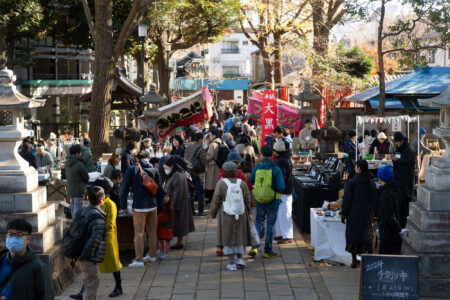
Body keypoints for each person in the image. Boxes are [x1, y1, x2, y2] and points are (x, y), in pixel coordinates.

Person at [120, 150, 164, 267]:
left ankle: (139, 259)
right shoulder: (154, 170)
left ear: (137, 159)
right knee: (152, 231)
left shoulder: (132, 170)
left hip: (139, 206)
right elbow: (160, 190)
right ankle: (152, 254)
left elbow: (124, 188)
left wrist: (123, 205)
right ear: (148, 158)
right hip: (153, 205)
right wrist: (160, 207)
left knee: (139, 233)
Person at [210, 161, 252, 271]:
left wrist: (212, 214)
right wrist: (250, 212)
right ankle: (240, 259)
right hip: (241, 214)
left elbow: (216, 201)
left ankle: (232, 263)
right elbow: (247, 199)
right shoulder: (241, 183)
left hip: (226, 215)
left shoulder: (221, 183)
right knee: (240, 236)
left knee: (228, 238)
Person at [0, 219, 54, 300]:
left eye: (19, 235)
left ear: (28, 239)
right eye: (10, 234)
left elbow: (46, 296)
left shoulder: (38, 268)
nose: (13, 238)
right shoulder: (1, 261)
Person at [249, 145, 285, 258]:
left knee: (259, 223)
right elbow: (280, 187)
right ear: (272, 155)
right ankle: (267, 250)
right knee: (270, 225)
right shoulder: (276, 168)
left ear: (261, 155)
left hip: (260, 201)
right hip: (273, 201)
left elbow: (251, 180)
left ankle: (255, 247)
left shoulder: (257, 167)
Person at [90, 179, 123, 297]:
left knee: (114, 264)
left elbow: (110, 225)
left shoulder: (111, 205)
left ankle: (119, 287)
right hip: (97, 238)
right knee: (90, 266)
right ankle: (85, 289)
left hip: (108, 240)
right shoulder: (98, 204)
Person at [341, 160, 376, 268]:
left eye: (356, 166)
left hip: (354, 212)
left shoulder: (352, 182)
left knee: (353, 236)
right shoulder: (371, 182)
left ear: (359, 169)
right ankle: (369, 258)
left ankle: (354, 261)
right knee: (367, 234)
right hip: (367, 213)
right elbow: (374, 198)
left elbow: (347, 200)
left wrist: (344, 213)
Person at [75, 186, 107, 300]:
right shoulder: (98, 217)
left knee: (90, 284)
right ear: (101, 200)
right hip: (88, 256)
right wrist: (83, 255)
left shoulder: (84, 211)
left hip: (83, 253)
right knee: (91, 286)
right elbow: (94, 239)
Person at [163, 157, 195, 249]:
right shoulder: (174, 174)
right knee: (178, 223)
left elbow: (178, 191)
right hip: (177, 202)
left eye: (166, 168)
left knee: (180, 223)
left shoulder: (177, 175)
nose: (165, 170)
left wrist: (174, 205)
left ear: (172, 166)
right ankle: (178, 242)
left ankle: (179, 242)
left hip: (179, 203)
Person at [377, 165, 405, 255]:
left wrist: (398, 229)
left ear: (382, 179)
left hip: (388, 232)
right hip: (395, 232)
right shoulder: (397, 190)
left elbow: (389, 215)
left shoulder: (385, 194)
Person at [272, 140, 294, 244]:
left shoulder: (281, 161)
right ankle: (281, 234)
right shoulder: (286, 159)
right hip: (286, 189)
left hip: (284, 190)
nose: (273, 153)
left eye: (274, 151)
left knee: (284, 213)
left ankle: (287, 236)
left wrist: (278, 187)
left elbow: (282, 177)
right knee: (282, 212)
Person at [392, 132, 415, 228]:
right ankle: (400, 221)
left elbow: (410, 161)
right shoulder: (399, 147)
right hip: (398, 176)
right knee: (399, 200)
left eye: (397, 142)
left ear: (401, 141)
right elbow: (397, 156)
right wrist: (394, 159)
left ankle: (404, 222)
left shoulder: (409, 148)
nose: (396, 144)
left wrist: (398, 160)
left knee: (405, 200)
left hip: (406, 177)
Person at [184, 132, 207, 216]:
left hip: (190, 172)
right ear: (200, 139)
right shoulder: (201, 148)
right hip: (199, 172)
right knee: (200, 192)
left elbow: (185, 159)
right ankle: (200, 211)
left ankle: (192, 211)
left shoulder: (188, 147)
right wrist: (204, 170)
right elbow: (204, 161)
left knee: (191, 192)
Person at [65, 144, 90, 218]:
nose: (81, 154)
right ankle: (76, 222)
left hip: (70, 188)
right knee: (78, 206)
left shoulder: (67, 162)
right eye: (80, 152)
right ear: (77, 153)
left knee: (73, 204)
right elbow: (86, 177)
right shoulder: (79, 164)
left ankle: (73, 221)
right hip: (78, 188)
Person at [205, 128, 223, 203]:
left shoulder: (213, 144)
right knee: (217, 183)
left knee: (211, 184)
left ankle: (212, 199)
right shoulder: (222, 142)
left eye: (210, 135)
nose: (209, 137)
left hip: (213, 166)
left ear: (214, 135)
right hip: (220, 165)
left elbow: (209, 156)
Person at [157, 193, 174, 258]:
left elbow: (172, 219)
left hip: (167, 227)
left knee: (167, 239)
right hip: (160, 226)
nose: (165, 199)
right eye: (164, 197)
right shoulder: (160, 206)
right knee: (160, 238)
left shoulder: (170, 208)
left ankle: (167, 253)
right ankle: (163, 251)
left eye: (167, 197)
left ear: (170, 198)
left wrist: (170, 227)